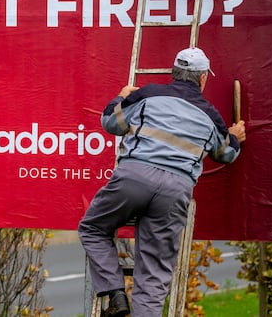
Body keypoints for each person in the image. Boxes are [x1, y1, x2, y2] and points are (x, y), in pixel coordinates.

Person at [78, 47, 246, 317]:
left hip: (134, 177)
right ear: (203, 79)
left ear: (174, 73)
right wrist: (235, 135)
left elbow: (110, 123)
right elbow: (226, 154)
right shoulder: (210, 115)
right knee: (153, 277)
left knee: (93, 228)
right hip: (175, 190)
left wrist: (119, 98)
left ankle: (115, 294)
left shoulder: (149, 94)